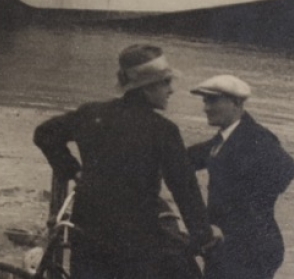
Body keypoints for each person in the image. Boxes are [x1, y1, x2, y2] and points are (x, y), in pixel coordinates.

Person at [34, 45, 214, 279]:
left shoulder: (91, 113)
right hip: (135, 241)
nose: (171, 90)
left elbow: (44, 134)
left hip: (87, 231)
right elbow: (184, 188)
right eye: (166, 83)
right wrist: (203, 236)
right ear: (147, 87)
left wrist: (73, 171)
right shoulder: (163, 130)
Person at [188, 75, 294, 279]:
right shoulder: (224, 138)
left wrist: (250, 208)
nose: (206, 108)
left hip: (250, 246)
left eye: (212, 100)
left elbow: (287, 169)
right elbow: (188, 159)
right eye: (205, 101)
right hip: (230, 244)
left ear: (236, 103)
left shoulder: (256, 138)